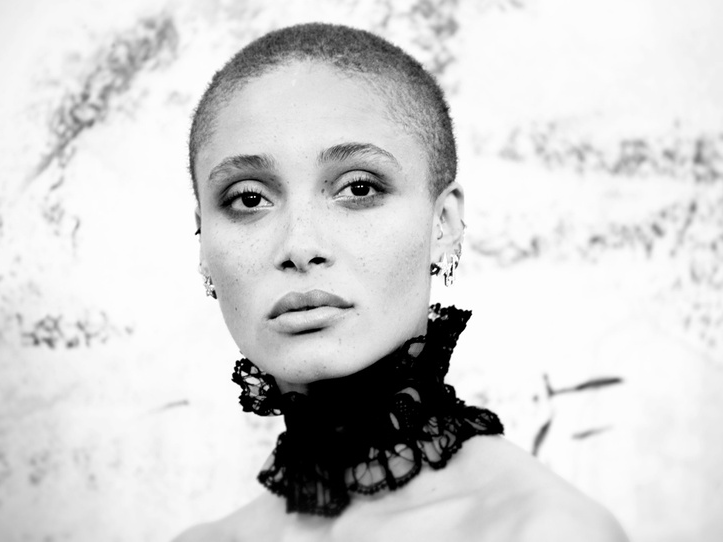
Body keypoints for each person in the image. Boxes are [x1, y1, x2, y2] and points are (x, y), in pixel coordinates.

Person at [175, 22, 627, 542]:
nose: (299, 246)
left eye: (358, 189)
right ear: (202, 237)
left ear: (443, 224)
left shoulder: (542, 531)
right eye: (249, 199)